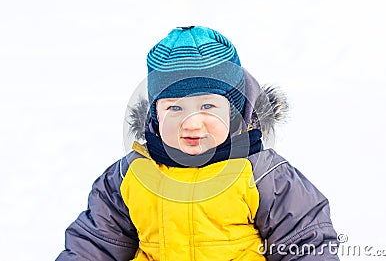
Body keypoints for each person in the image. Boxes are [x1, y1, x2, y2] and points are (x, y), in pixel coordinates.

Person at [56, 26, 339, 260]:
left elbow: (306, 241)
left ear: (234, 111)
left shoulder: (263, 175)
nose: (191, 123)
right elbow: (95, 244)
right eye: (174, 108)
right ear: (155, 113)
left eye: (207, 106)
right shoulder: (130, 176)